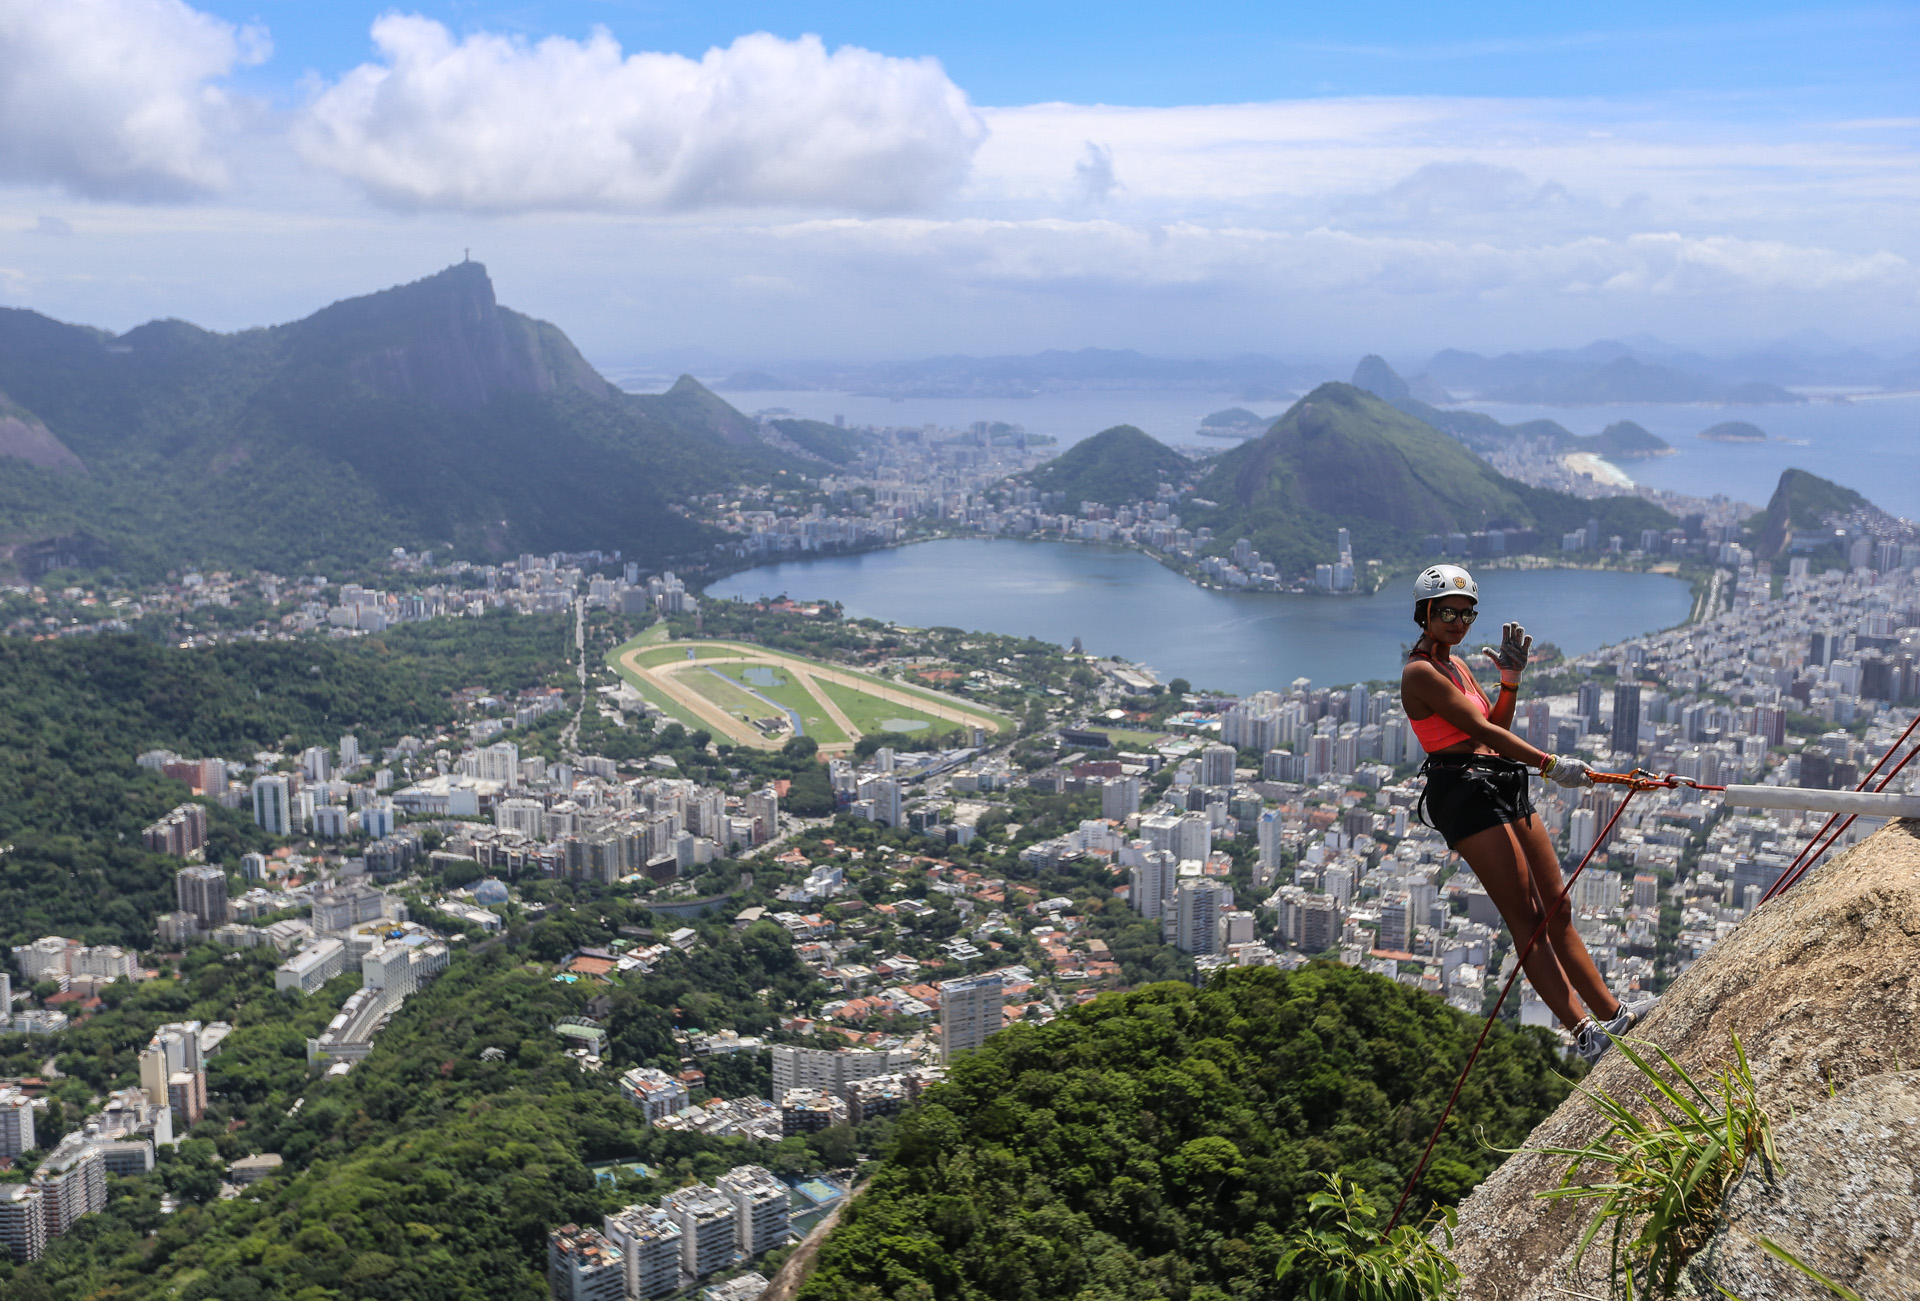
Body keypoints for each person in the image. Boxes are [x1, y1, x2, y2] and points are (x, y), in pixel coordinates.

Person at [1399, 563, 1638, 1064]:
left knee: (1557, 906)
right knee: (1527, 915)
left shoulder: (1457, 666)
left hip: (1499, 780)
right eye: (1446, 612)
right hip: (1463, 793)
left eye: (1467, 613)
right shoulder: (1419, 673)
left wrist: (1509, 682)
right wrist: (1550, 764)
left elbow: (1491, 724)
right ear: (1423, 614)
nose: (1458, 622)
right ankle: (1586, 1034)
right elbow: (1480, 735)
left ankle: (1613, 1013)